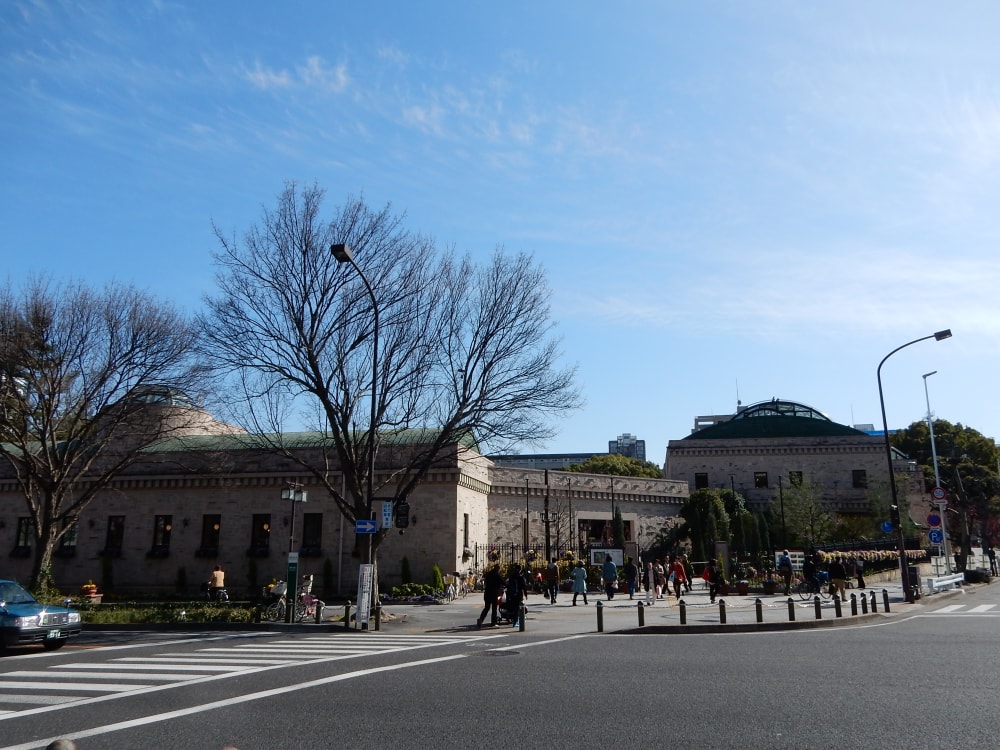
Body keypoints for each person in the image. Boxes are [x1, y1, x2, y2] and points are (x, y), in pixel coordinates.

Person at [477, 564, 505, 628]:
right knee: (494, 608)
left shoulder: (488, 574)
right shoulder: (497, 575)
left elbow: (486, 581)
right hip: (494, 594)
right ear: (498, 569)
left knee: (487, 607)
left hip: (487, 593)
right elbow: (504, 582)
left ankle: (481, 619)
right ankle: (493, 623)